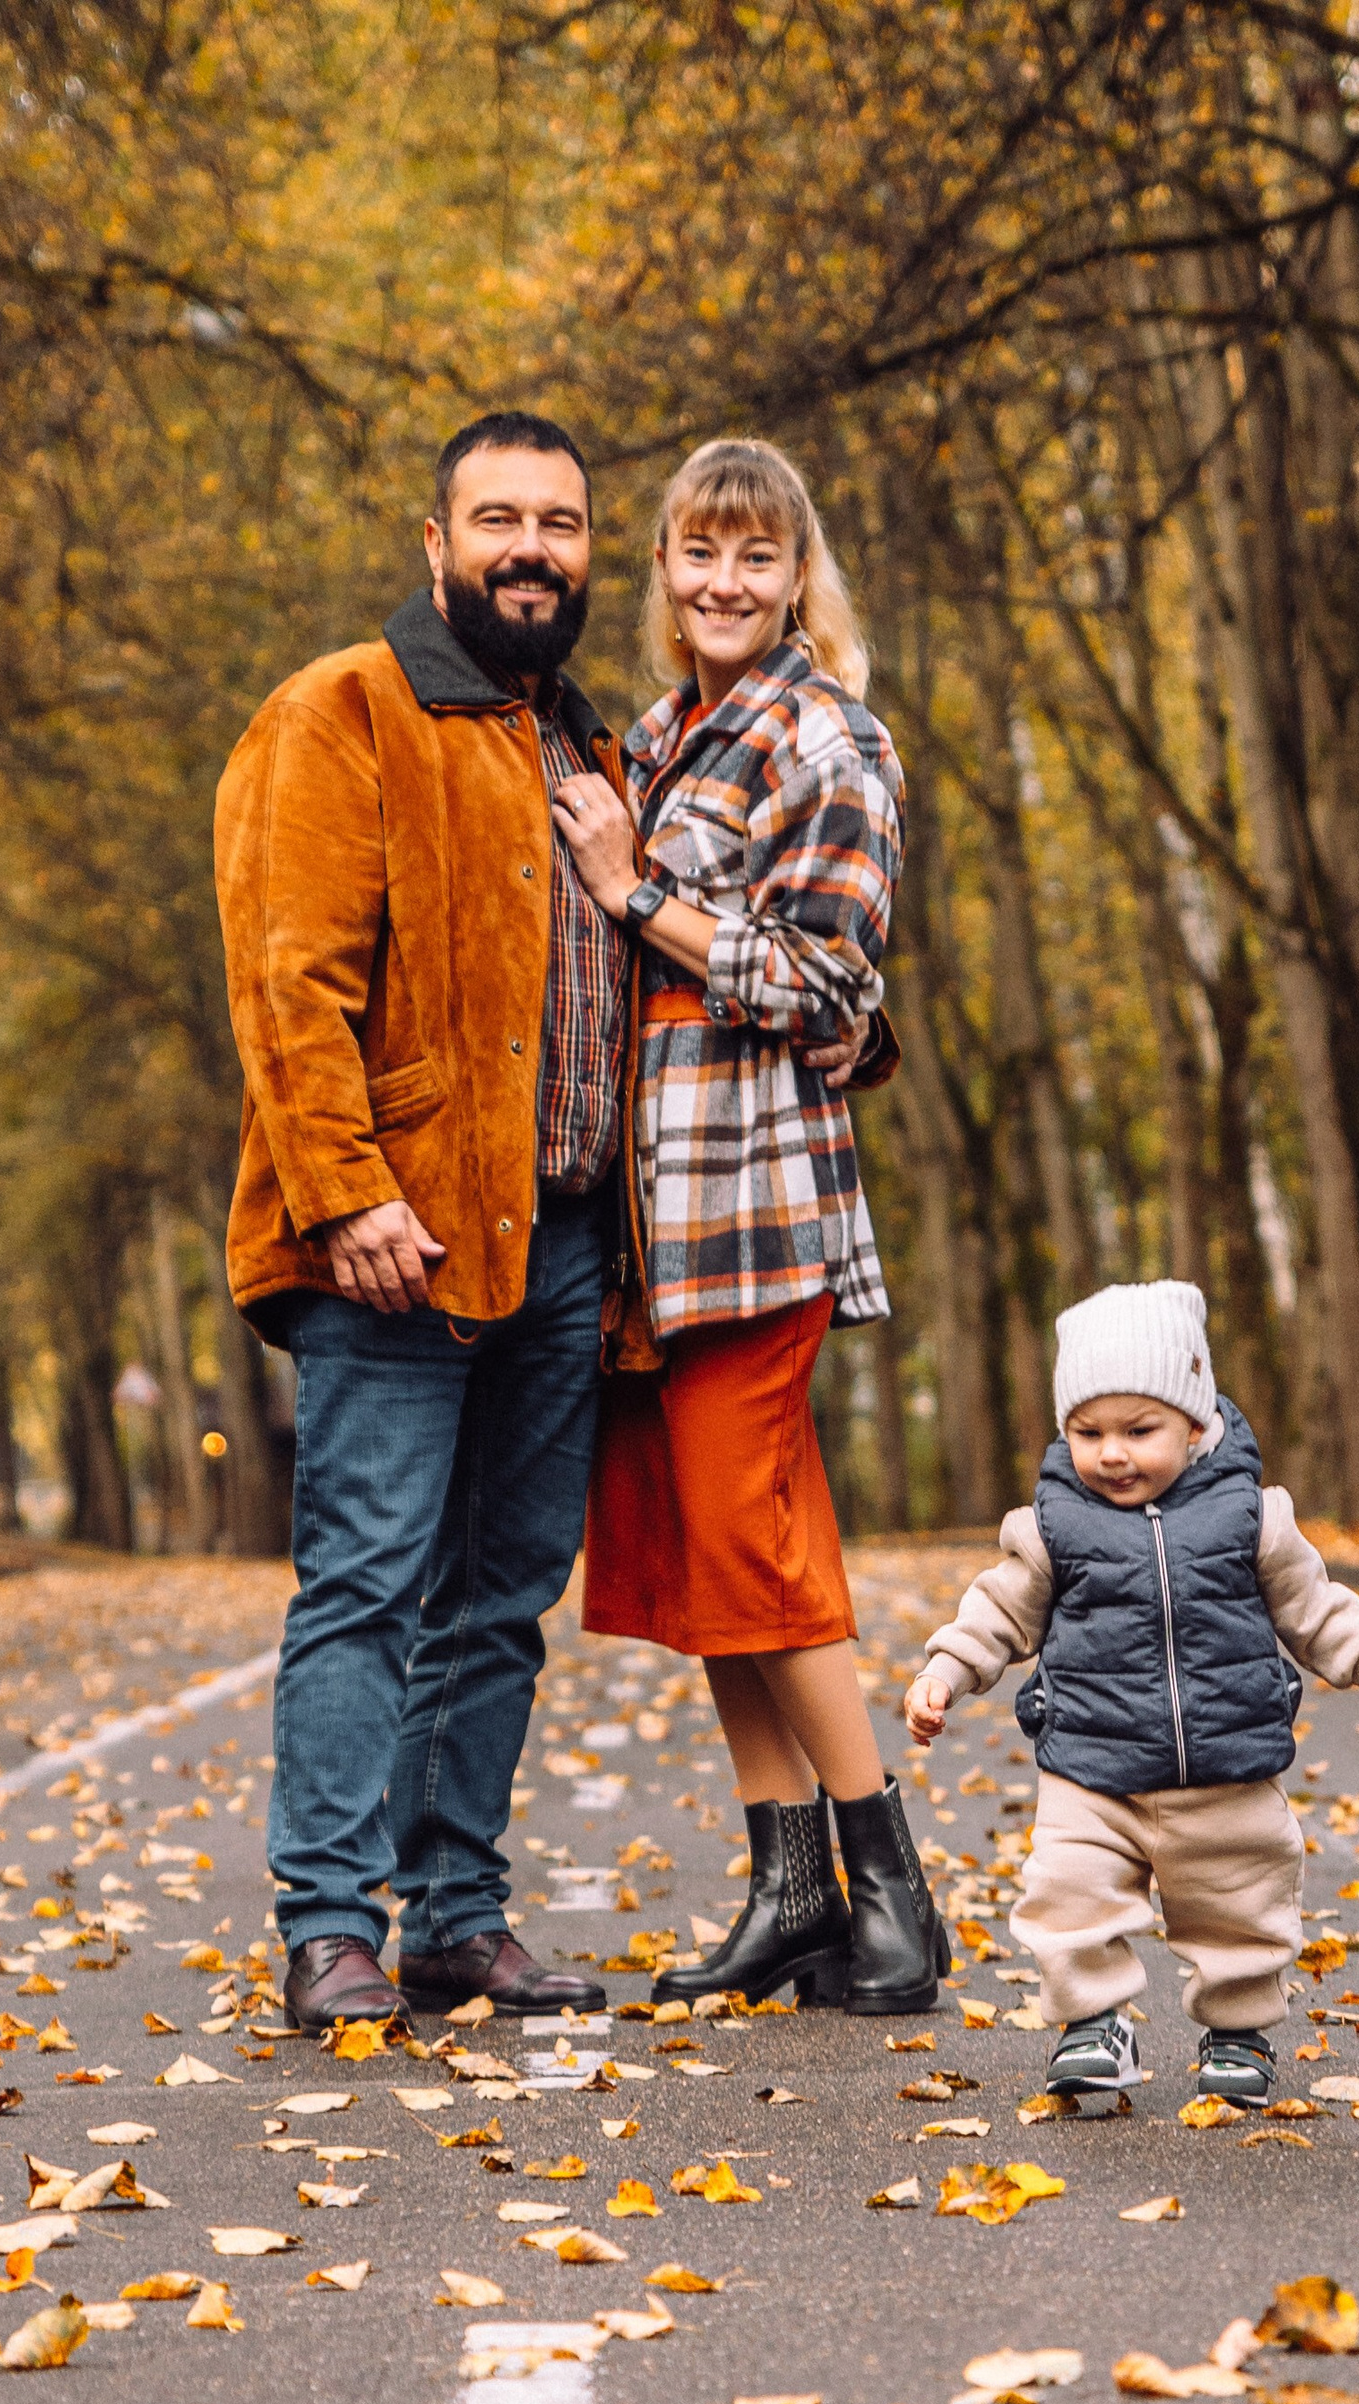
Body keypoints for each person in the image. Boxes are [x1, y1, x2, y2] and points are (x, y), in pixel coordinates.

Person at [213, 411, 635, 2027]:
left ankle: (457, 1915)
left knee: (501, 1603)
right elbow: (286, 977)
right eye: (501, 517)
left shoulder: (580, 745)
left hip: (563, 1245)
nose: (534, 546)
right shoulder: (344, 709)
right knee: (367, 1588)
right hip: (393, 1241)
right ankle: (331, 1925)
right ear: (437, 542)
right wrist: (346, 1190)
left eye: (563, 521)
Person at [554, 436, 945, 2015]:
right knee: (705, 1557)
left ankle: (897, 1892)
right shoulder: (650, 737)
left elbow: (829, 984)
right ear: (666, 573)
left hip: (753, 1211)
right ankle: (793, 1891)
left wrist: (633, 888)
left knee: (752, 1538)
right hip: (642, 1232)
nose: (723, 583)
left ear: (799, 578)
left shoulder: (827, 741)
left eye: (755, 558)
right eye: (697, 555)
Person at [901, 1280, 1359, 2106]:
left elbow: (1312, 1604)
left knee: (1242, 1905)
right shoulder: (1052, 1526)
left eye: (1139, 1430)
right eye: (1088, 1432)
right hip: (1091, 1765)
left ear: (1194, 1424)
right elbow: (999, 1609)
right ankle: (1093, 2026)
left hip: (1226, 1763)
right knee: (1066, 1894)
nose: (1112, 1453)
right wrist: (943, 1671)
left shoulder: (1252, 1517)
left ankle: (1238, 2034)